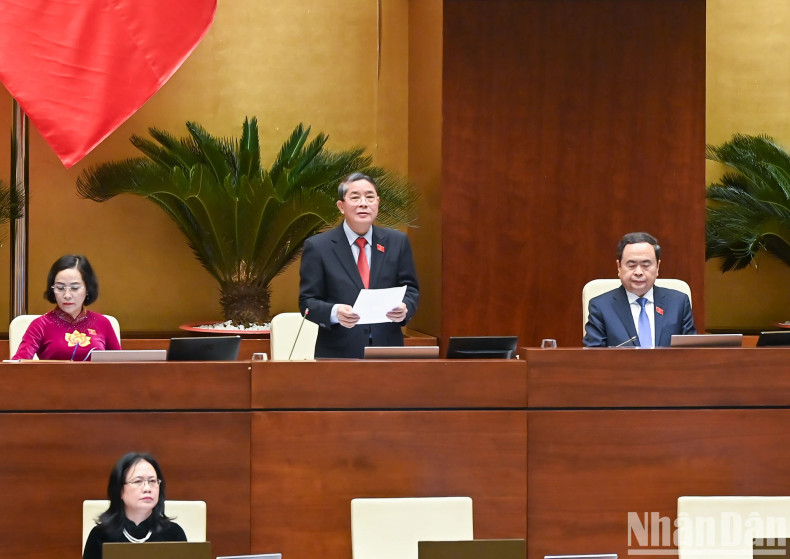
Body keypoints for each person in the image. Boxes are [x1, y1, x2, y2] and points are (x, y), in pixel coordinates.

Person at [299, 172, 419, 358]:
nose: (364, 203)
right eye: (355, 197)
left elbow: (411, 289)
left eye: (370, 197)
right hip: (337, 353)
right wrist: (334, 312)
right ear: (341, 206)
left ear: (377, 203)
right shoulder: (318, 247)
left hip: (388, 350)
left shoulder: (398, 242)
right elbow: (307, 302)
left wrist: (405, 308)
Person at [583, 232, 696, 347]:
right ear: (619, 267)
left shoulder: (678, 303)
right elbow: (593, 358)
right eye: (631, 265)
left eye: (646, 265)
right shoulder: (601, 306)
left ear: (657, 267)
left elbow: (693, 353)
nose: (638, 272)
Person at [12, 254, 121, 360]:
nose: (67, 295)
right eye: (60, 288)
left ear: (87, 289)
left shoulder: (103, 323)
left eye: (74, 288)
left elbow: (121, 366)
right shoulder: (40, 325)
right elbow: (18, 365)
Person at [83, 452, 187, 559]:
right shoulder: (100, 535)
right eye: (138, 481)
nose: (147, 488)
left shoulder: (174, 533)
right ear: (120, 490)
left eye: (152, 481)